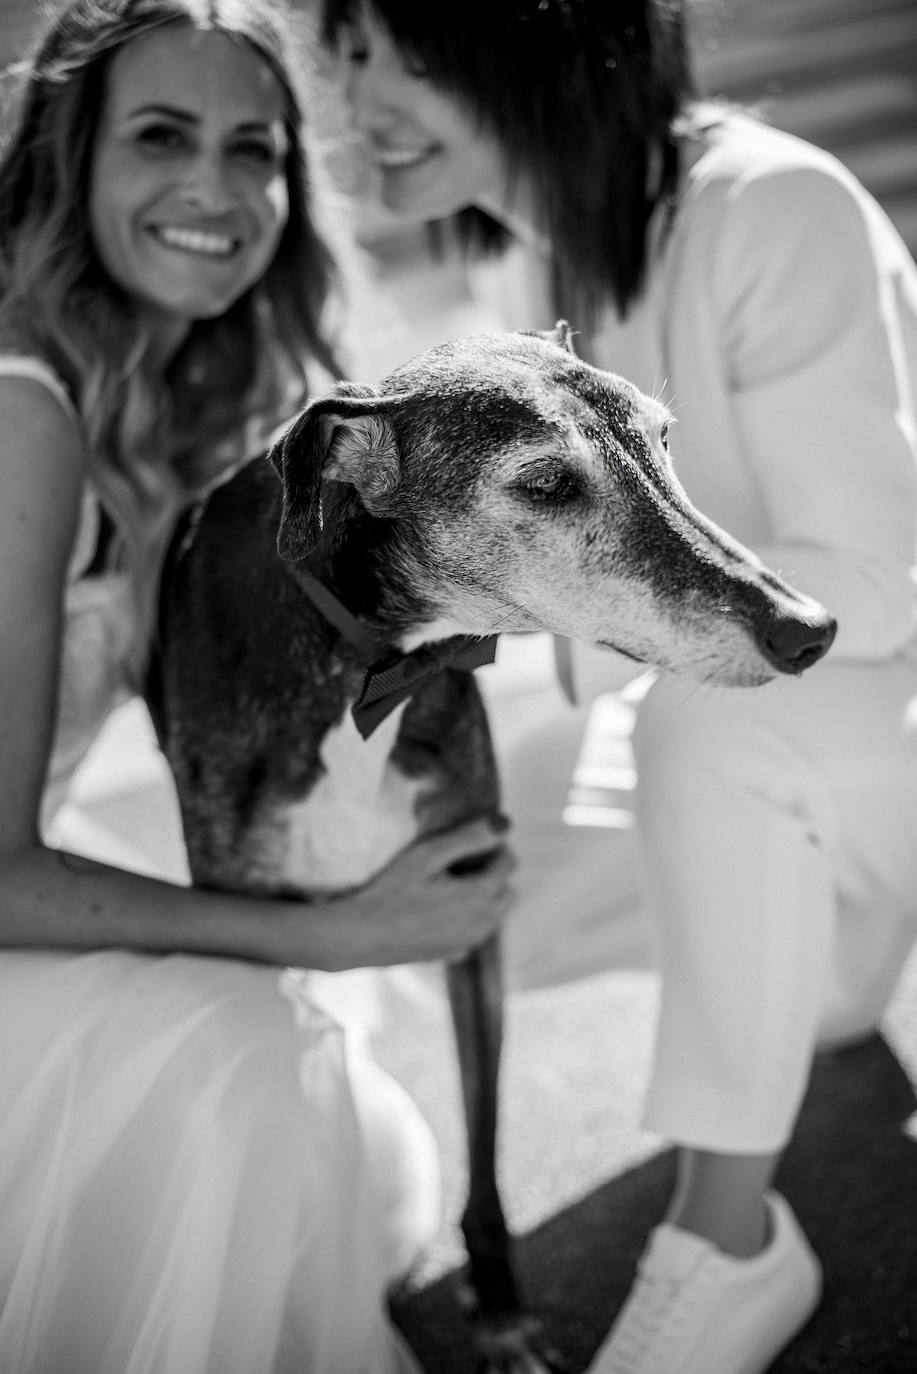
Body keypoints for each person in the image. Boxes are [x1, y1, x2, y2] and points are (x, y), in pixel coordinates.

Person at [321, 1, 917, 1371]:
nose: (352, 104)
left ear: (532, 37)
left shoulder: (767, 205)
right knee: (428, 857)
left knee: (694, 735)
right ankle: (808, 969)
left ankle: (728, 1238)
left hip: (879, 719)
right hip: (769, 743)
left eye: (392, 53)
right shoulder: (533, 255)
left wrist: (618, 628)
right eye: (339, 60)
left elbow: (876, 592)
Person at [0, 2, 515, 1371]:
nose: (217, 191)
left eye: (257, 147)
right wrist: (337, 935)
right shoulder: (22, 413)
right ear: (69, 161)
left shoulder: (183, 391)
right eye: (161, 137)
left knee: (318, 1106)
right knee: (237, 1058)